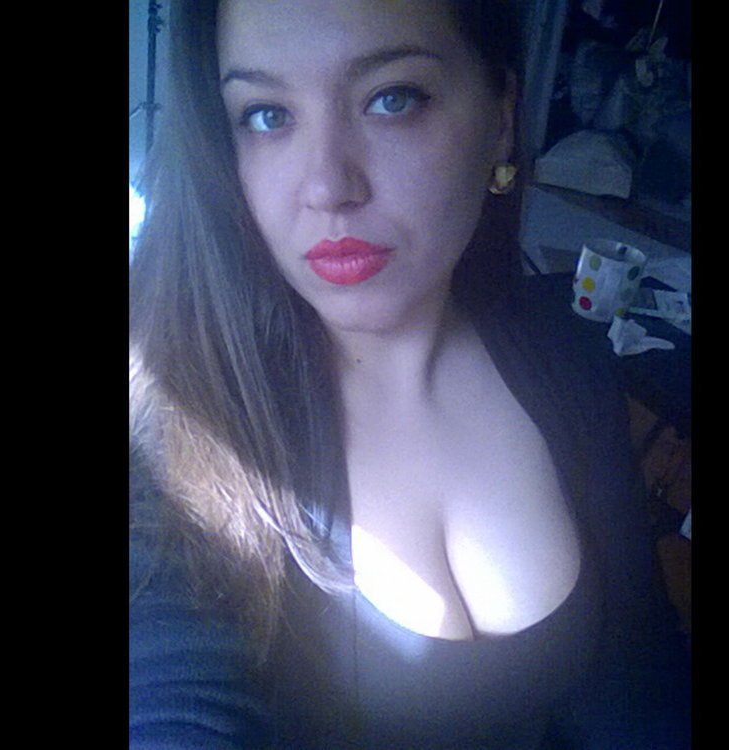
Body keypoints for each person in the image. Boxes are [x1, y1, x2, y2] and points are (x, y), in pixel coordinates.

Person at [129, 1, 691, 747]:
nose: (328, 186)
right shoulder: (173, 428)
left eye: (393, 98)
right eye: (267, 115)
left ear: (501, 117)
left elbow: (639, 684)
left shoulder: (564, 355)